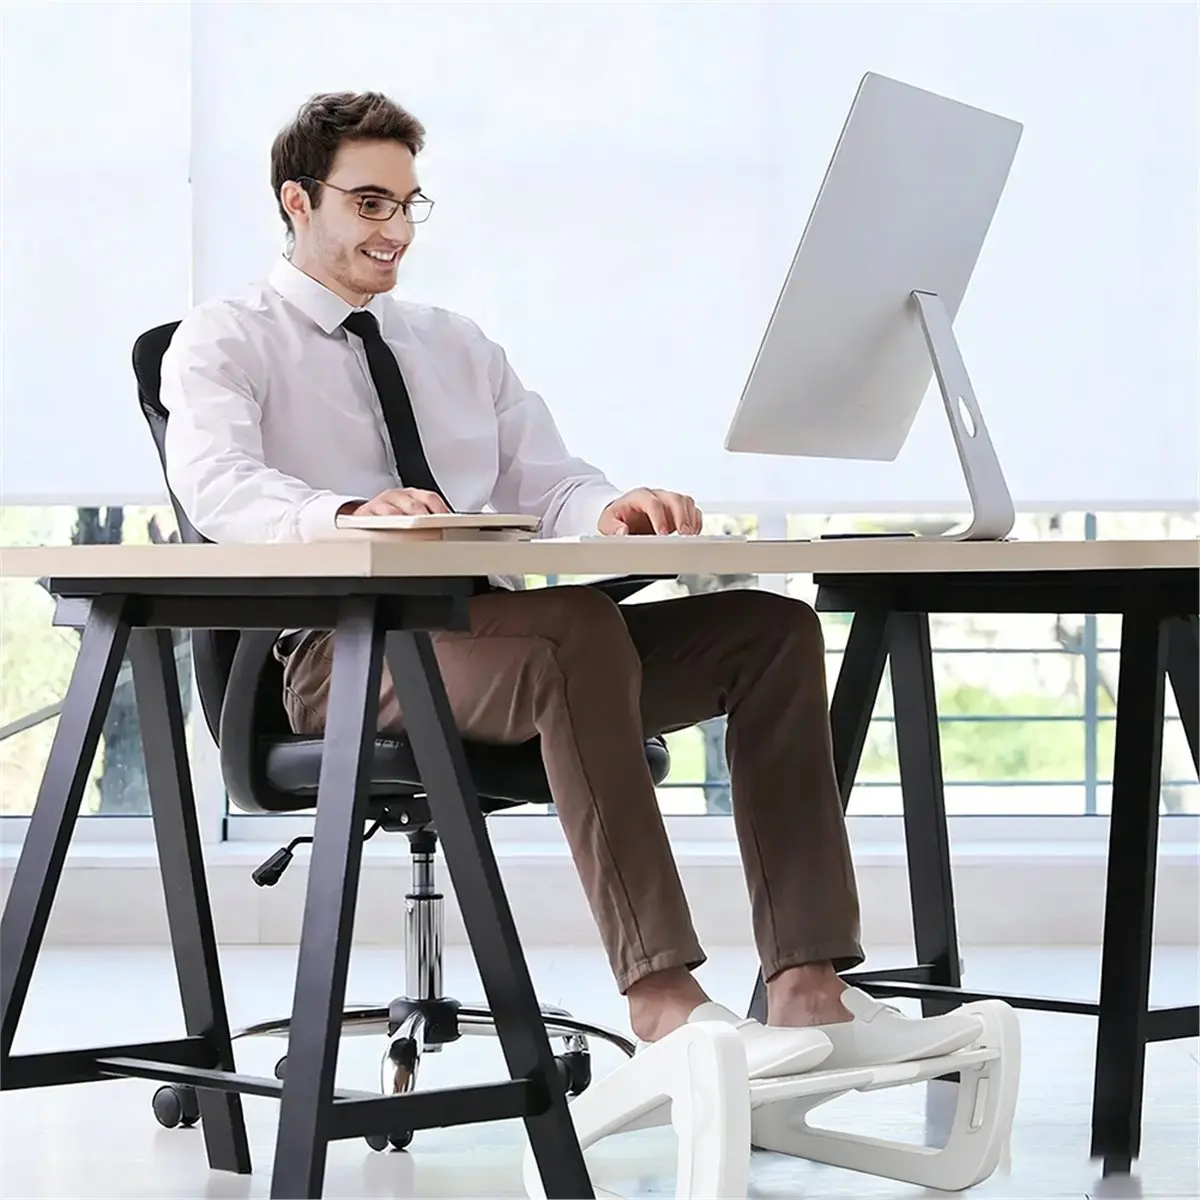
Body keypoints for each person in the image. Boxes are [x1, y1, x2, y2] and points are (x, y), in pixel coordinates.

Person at [161, 90, 981, 1077]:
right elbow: (217, 486)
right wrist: (346, 514)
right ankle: (665, 1001)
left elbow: (547, 484)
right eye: (370, 203)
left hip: (498, 640)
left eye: (409, 206)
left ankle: (810, 993)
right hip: (341, 657)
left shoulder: (453, 344)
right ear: (298, 201)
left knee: (769, 633)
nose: (395, 231)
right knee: (572, 631)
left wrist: (613, 509)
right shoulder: (226, 338)